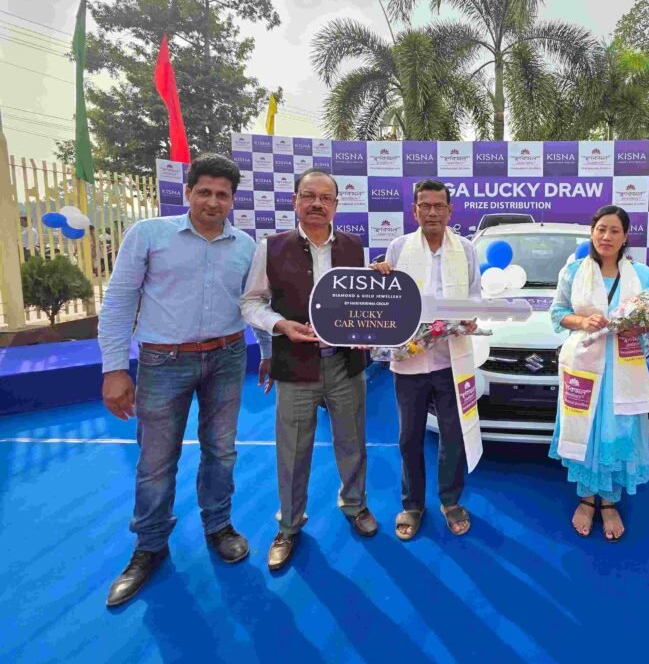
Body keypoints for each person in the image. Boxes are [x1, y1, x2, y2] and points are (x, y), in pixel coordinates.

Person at [99, 154, 270, 607]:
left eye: (223, 194)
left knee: (222, 451)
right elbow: (117, 303)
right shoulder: (149, 235)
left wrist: (268, 353)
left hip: (228, 358)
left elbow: (255, 304)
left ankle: (219, 526)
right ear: (189, 192)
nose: (213, 201)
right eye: (205, 192)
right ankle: (149, 546)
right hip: (162, 362)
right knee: (156, 461)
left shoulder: (246, 246)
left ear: (233, 199)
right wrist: (115, 369)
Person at [241, 167, 374, 571]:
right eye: (309, 196)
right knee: (292, 452)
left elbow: (363, 304)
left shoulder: (354, 247)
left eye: (326, 198)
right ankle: (289, 525)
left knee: (352, 443)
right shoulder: (271, 247)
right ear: (295, 200)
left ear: (336, 205)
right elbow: (251, 302)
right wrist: (280, 325)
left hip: (344, 365)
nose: (317, 204)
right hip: (294, 366)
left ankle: (355, 505)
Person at [550, 205, 649, 543]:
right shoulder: (573, 272)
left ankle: (610, 502)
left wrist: (644, 324)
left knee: (617, 430)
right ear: (592, 232)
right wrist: (582, 320)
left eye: (614, 231)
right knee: (586, 430)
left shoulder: (644, 276)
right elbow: (558, 312)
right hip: (585, 366)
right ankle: (588, 498)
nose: (606, 236)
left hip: (624, 366)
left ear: (625, 237)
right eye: (601, 229)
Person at [371, 180, 482, 541]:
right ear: (414, 210)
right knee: (409, 437)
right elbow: (388, 300)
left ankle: (450, 501)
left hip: (452, 359)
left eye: (439, 206)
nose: (432, 212)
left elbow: (475, 296)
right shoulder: (400, 247)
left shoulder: (465, 249)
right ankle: (412, 504)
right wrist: (379, 279)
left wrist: (471, 318)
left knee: (453, 435)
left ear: (450, 211)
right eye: (425, 206)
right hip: (409, 362)